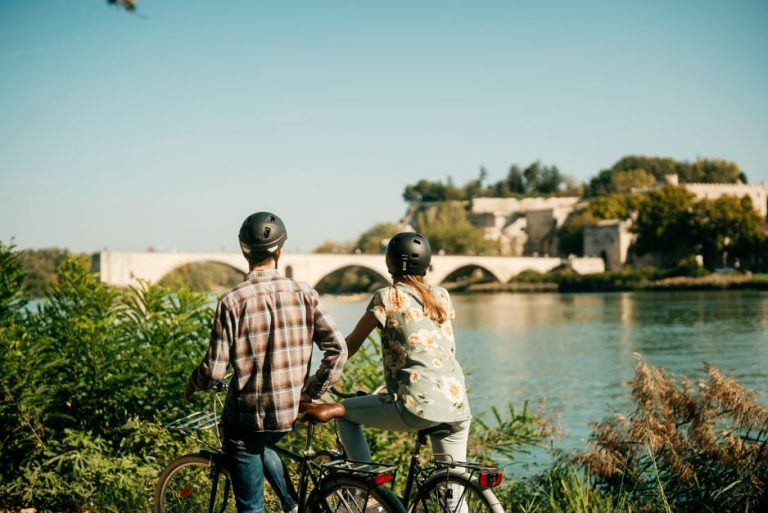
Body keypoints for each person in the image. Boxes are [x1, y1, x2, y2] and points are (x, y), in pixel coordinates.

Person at [184, 211, 348, 513]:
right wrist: (310, 392)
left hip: (247, 416)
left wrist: (193, 384)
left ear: (244, 251)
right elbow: (338, 349)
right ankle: (292, 505)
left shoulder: (231, 301)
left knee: (250, 497)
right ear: (281, 250)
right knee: (262, 443)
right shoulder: (305, 293)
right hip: (288, 412)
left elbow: (214, 369)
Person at [338, 232, 471, 468]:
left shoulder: (386, 298)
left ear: (389, 264)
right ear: (427, 264)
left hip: (415, 407)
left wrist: (318, 381)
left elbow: (350, 346)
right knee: (454, 492)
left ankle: (363, 490)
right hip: (457, 405)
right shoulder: (442, 296)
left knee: (343, 413)